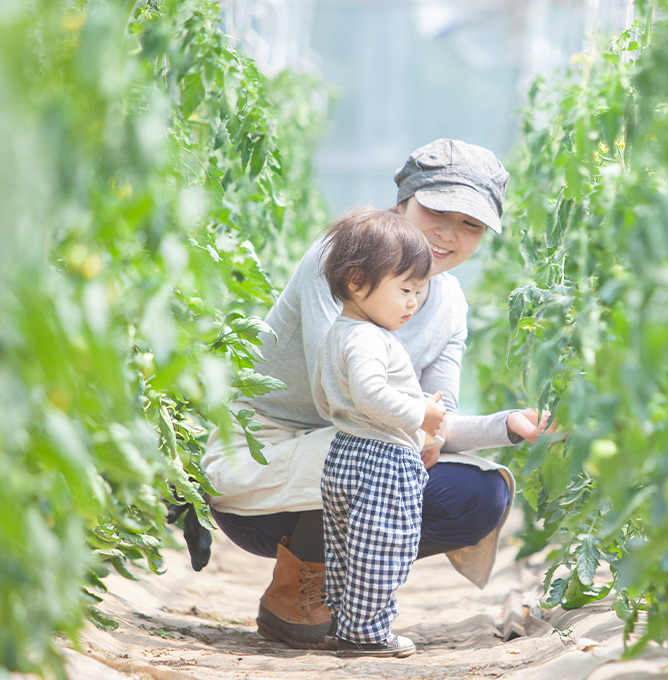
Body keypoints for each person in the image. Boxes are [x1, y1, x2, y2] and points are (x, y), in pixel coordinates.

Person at [201, 138, 554, 651]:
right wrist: (423, 434)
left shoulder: (450, 302)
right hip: (262, 469)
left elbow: (436, 418)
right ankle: (300, 588)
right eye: (436, 211)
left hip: (353, 458)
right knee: (379, 453)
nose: (448, 234)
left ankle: (351, 594)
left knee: (481, 496)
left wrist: (506, 426)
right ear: (403, 202)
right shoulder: (344, 262)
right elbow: (340, 399)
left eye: (470, 224)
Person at [313, 208, 445, 658]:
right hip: (383, 458)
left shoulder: (339, 332)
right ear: (356, 282)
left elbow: (326, 397)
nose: (413, 303)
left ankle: (345, 623)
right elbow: (370, 394)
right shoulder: (369, 337)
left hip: (345, 452)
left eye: (419, 292)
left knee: (347, 547)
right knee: (383, 547)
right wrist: (420, 415)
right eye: (405, 290)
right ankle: (366, 633)